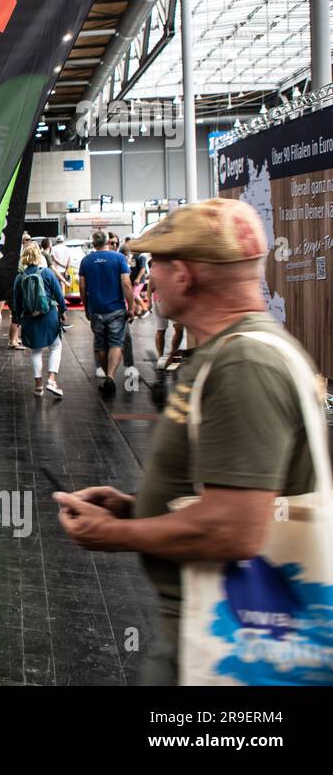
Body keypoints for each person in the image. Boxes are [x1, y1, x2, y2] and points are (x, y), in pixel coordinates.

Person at [53, 198, 321, 684]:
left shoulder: (244, 365)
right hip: (205, 626)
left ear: (185, 274)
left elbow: (232, 530)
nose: (148, 274)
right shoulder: (230, 352)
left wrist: (112, 534)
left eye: (156, 263)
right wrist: (134, 507)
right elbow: (225, 493)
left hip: (231, 644)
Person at [78, 230, 134, 396]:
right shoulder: (119, 259)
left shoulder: (86, 261)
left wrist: (86, 306)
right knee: (116, 343)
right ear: (108, 242)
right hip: (116, 309)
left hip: (96, 309)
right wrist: (130, 307)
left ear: (93, 243)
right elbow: (126, 284)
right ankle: (110, 376)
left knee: (100, 345)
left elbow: (82, 287)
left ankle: (106, 375)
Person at [13, 241, 66, 398]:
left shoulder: (19, 278)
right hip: (48, 315)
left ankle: (38, 386)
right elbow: (59, 296)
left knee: (36, 351)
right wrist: (63, 311)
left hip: (29, 318)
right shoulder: (47, 273)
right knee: (56, 346)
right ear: (38, 256)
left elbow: (16, 303)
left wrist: (19, 321)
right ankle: (52, 379)